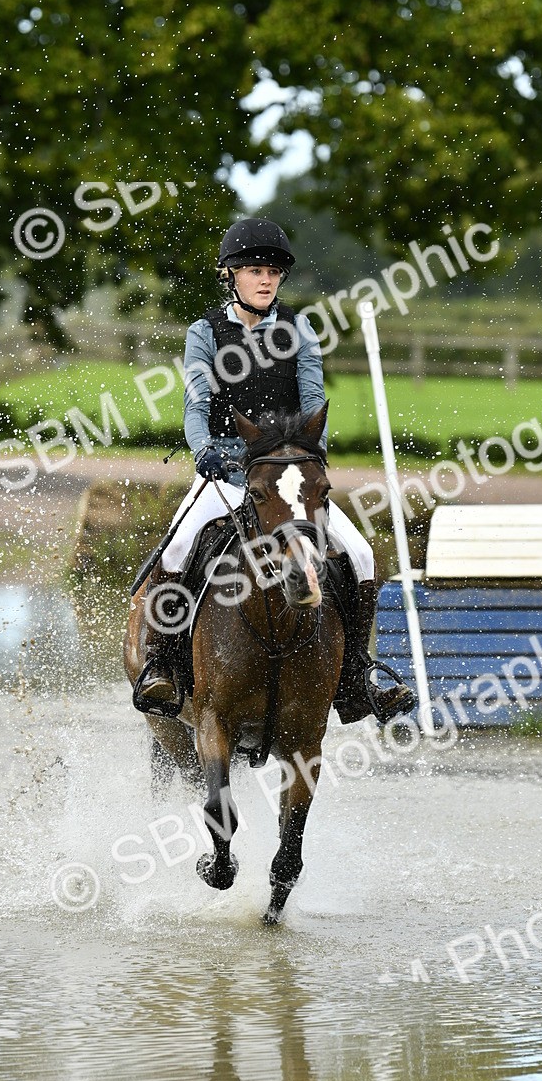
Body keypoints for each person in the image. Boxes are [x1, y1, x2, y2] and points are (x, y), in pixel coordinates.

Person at [137, 216, 414, 725]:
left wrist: (308, 459)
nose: (266, 280)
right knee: (179, 547)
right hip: (225, 468)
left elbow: (314, 405)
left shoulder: (299, 330)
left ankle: (355, 674)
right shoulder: (205, 333)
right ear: (231, 275)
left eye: (273, 272)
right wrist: (204, 453)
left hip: (287, 474)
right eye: (255, 270)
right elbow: (196, 408)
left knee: (362, 553)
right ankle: (164, 664)